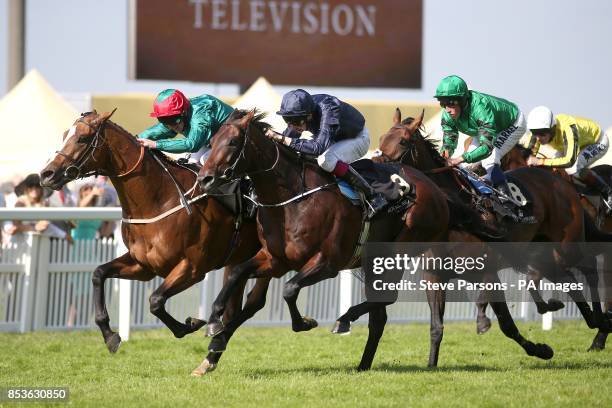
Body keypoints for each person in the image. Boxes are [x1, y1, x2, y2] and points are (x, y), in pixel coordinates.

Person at [266, 89, 387, 216]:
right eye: (287, 120)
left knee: (325, 160)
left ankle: (372, 195)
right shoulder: (302, 110)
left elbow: (319, 147)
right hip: (334, 140)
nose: (292, 126)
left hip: (357, 139)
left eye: (295, 121)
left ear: (309, 115)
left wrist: (283, 139)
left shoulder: (328, 107)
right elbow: (286, 142)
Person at [435, 75, 532, 223]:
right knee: (465, 168)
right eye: (443, 103)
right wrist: (447, 151)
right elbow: (450, 135)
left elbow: (487, 147)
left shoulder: (481, 108)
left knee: (489, 159)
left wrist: (461, 157)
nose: (447, 109)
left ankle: (512, 205)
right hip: (482, 129)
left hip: (512, 123)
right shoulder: (448, 114)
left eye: (451, 102)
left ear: (462, 100)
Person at [525, 106, 612, 211]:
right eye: (535, 134)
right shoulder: (538, 132)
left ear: (552, 128)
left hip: (597, 141)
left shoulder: (568, 129)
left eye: (542, 134)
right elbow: (529, 156)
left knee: (573, 169)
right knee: (554, 168)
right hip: (572, 144)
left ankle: (607, 191)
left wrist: (540, 161)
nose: (538, 138)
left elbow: (569, 161)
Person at [137, 89, 234, 165]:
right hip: (214, 141)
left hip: (236, 141)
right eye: (164, 120)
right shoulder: (175, 118)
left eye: (173, 120)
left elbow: (191, 144)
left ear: (184, 112)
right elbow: (154, 132)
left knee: (206, 161)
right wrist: (134, 139)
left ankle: (238, 189)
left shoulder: (199, 116)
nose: (171, 125)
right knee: (190, 163)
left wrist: (155, 144)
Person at [5, 174, 72, 245]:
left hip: (39, 244)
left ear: (41, 188)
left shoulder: (44, 203)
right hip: (20, 243)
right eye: (31, 186)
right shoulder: (20, 202)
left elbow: (45, 226)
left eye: (37, 186)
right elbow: (14, 226)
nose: (34, 189)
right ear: (27, 188)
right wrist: (34, 227)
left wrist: (64, 235)